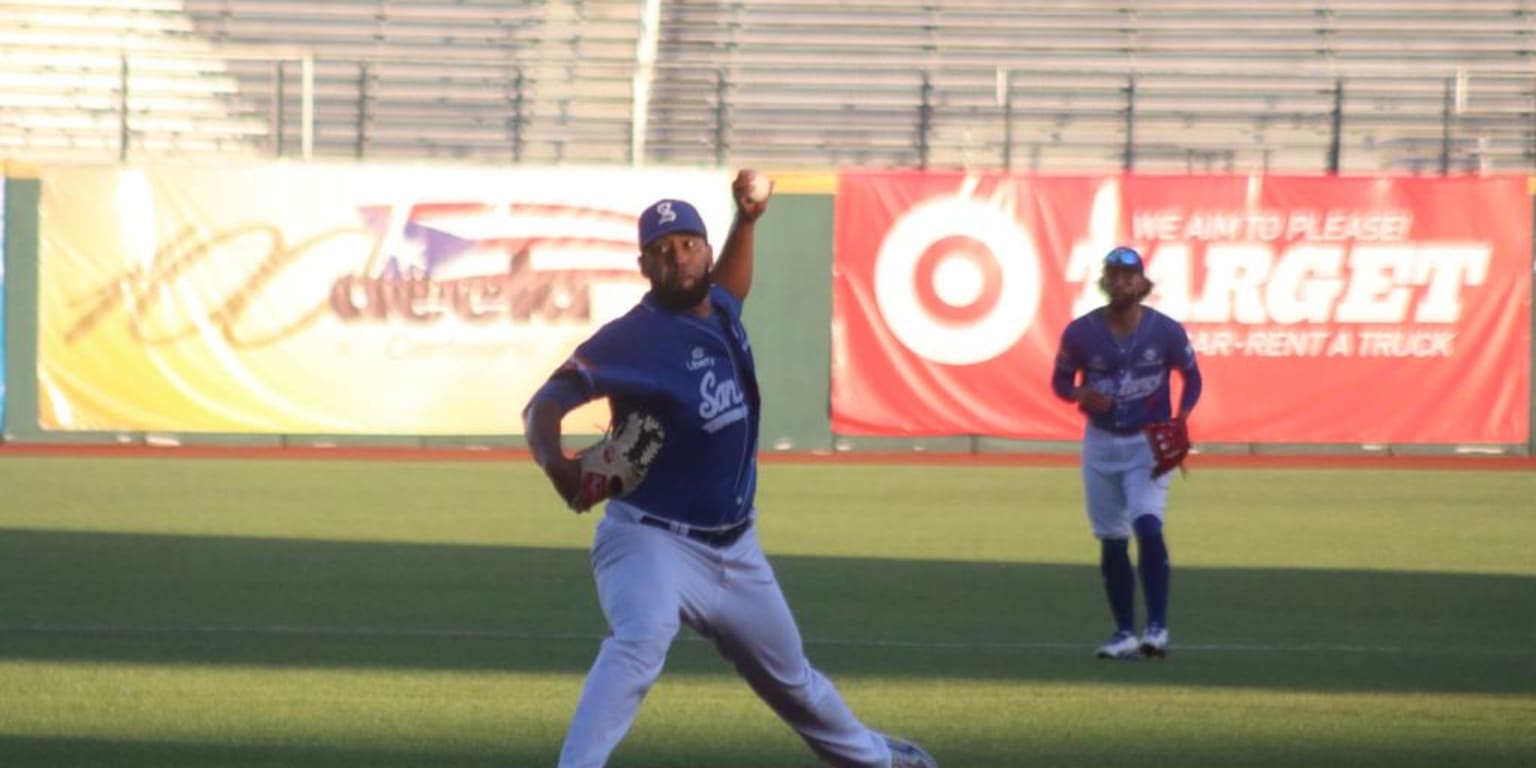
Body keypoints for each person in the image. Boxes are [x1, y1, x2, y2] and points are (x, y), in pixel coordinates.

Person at [522, 171, 939, 768]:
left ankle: (882, 761)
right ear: (645, 267)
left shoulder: (717, 305)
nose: (677, 258)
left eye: (688, 244)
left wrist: (747, 218)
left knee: (793, 683)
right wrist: (557, 465)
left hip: (736, 550)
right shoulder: (632, 340)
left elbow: (734, 284)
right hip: (649, 540)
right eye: (662, 252)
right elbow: (543, 406)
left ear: (705, 250)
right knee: (639, 641)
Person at [1050, 245, 1203, 660]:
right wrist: (1080, 393)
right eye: (1114, 275)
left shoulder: (1165, 331)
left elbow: (1191, 377)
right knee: (1112, 539)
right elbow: (1060, 382)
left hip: (1147, 441)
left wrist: (1182, 417)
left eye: (1128, 275)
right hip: (1100, 443)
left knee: (1147, 525)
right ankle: (1124, 633)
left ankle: (1156, 627)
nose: (1121, 282)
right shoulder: (1081, 333)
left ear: (1142, 282)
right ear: (1104, 281)